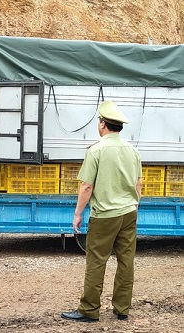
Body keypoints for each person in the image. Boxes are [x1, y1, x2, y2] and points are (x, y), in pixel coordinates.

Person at [61, 100, 142, 322]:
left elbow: (87, 186)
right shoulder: (133, 151)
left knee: (97, 261)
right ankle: (122, 308)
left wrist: (77, 214)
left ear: (103, 125)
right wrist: (133, 205)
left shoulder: (96, 150)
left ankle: (89, 310)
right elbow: (138, 185)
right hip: (129, 213)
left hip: (105, 215)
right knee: (126, 261)